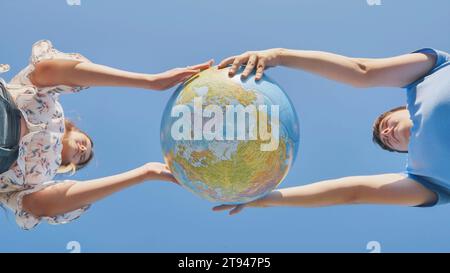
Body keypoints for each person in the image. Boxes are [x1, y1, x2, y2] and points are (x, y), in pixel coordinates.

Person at [0, 40, 212, 230]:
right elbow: (47, 71)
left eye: (82, 156)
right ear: (74, 128)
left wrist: (145, 173)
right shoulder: (52, 109)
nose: (83, 149)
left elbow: (42, 205)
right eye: (84, 143)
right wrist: (150, 81)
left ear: (69, 166)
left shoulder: (42, 178)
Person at [213, 47, 450, 215]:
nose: (387, 133)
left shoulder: (433, 72)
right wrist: (264, 199)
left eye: (386, 123)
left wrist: (278, 56)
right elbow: (354, 192)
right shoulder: (426, 181)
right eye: (389, 142)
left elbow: (363, 71)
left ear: (404, 107)